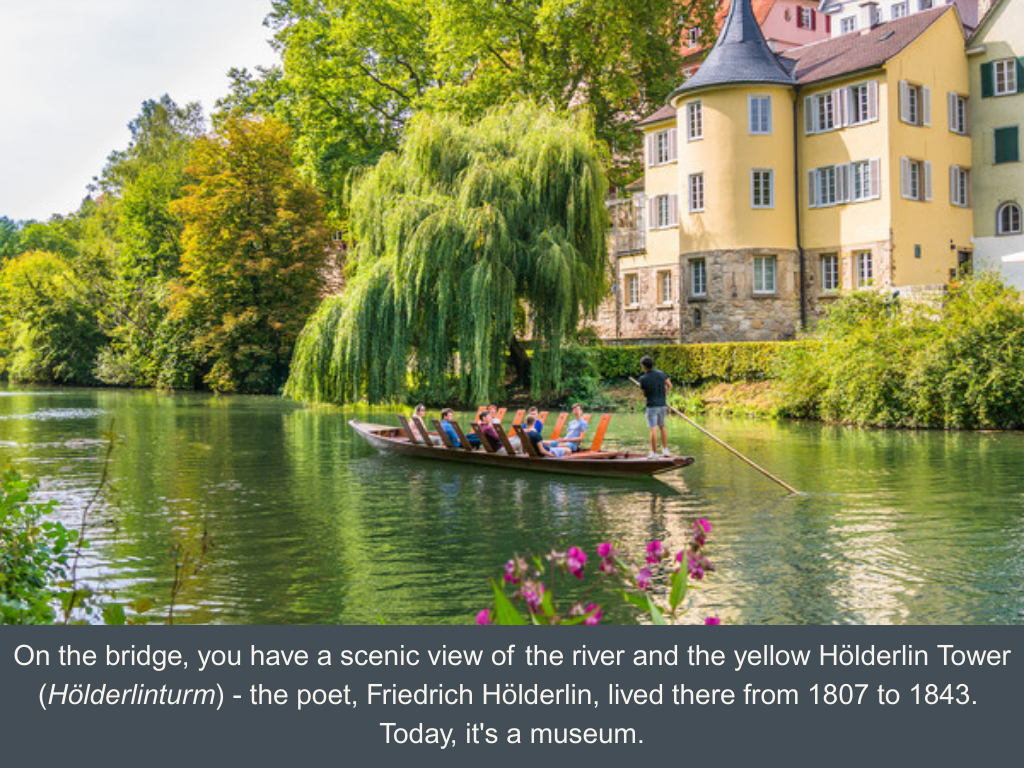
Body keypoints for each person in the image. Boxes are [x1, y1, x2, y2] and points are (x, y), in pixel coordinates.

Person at [638, 355, 672, 459]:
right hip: (662, 404)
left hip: (651, 405)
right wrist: (664, 393)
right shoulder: (662, 374)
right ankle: (665, 450)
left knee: (653, 429)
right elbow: (669, 385)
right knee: (662, 427)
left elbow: (644, 394)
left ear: (644, 366)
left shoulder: (643, 379)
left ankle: (654, 453)